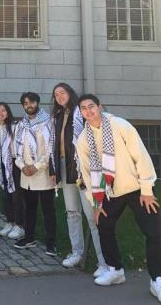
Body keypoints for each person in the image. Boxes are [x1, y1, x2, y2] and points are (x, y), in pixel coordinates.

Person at [76, 94, 161, 300]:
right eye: (83, 108)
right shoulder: (83, 139)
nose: (88, 111)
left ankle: (158, 280)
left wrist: (147, 190)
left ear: (99, 107)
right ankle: (115, 270)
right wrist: (96, 204)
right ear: (81, 112)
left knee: (154, 232)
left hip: (136, 188)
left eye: (91, 106)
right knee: (104, 224)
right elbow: (88, 174)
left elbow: (140, 156)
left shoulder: (119, 125)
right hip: (110, 192)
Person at [50, 83, 108, 276]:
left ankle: (103, 262)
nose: (59, 96)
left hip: (83, 169)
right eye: (56, 94)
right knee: (72, 212)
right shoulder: (57, 117)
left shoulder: (80, 112)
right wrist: (53, 169)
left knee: (92, 215)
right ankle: (77, 252)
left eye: (62, 92)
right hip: (65, 168)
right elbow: (54, 145)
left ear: (70, 93)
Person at [13, 92, 57, 256]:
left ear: (37, 103)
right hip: (26, 174)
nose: (28, 105)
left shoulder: (48, 122)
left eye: (31, 102)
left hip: (43, 173)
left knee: (48, 210)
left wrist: (37, 166)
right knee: (29, 209)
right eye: (25, 103)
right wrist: (22, 166)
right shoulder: (20, 125)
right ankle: (29, 237)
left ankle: (51, 243)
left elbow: (50, 150)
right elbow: (16, 149)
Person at [0, 102, 24, 240]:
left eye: (3, 110)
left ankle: (20, 225)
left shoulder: (15, 126)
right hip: (0, 163)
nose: (0, 113)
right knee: (6, 194)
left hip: (14, 163)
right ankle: (10, 221)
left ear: (8, 112)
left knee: (16, 195)